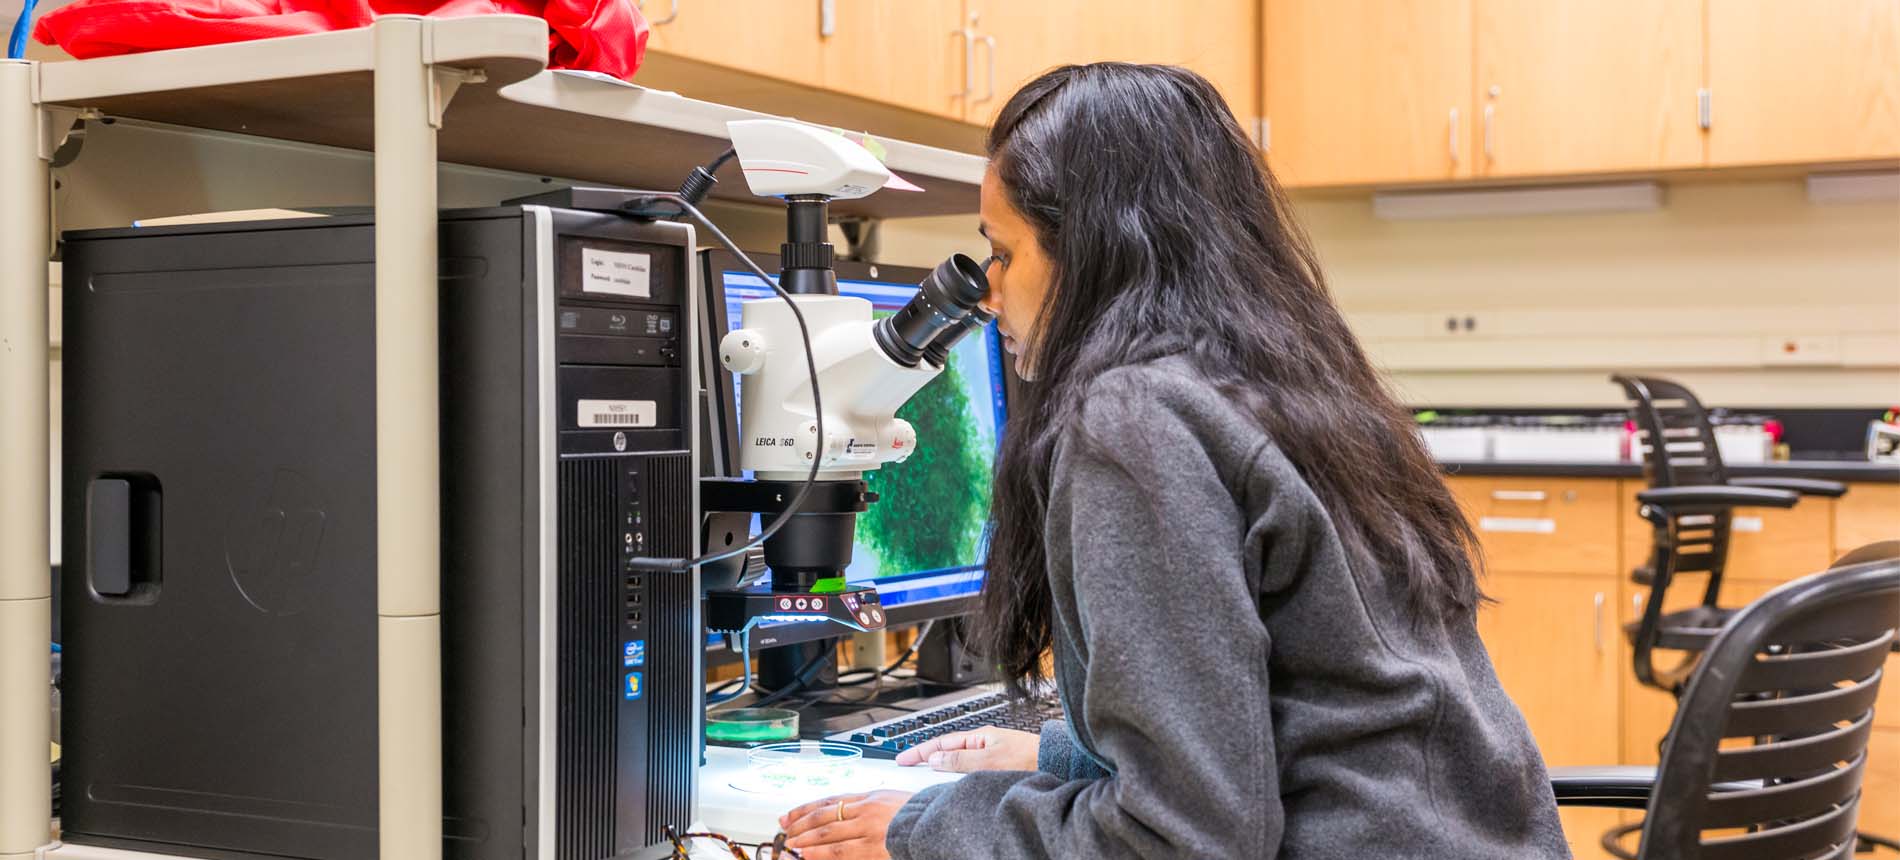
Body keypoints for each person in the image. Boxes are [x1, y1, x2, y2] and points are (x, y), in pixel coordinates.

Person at [777, 63, 1571, 859]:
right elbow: (1322, 708)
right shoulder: (1289, 381)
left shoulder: (1135, 421)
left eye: (1006, 253)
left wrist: (925, 829)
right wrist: (1066, 753)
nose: (988, 295)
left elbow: (1177, 841)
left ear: (1093, 252)